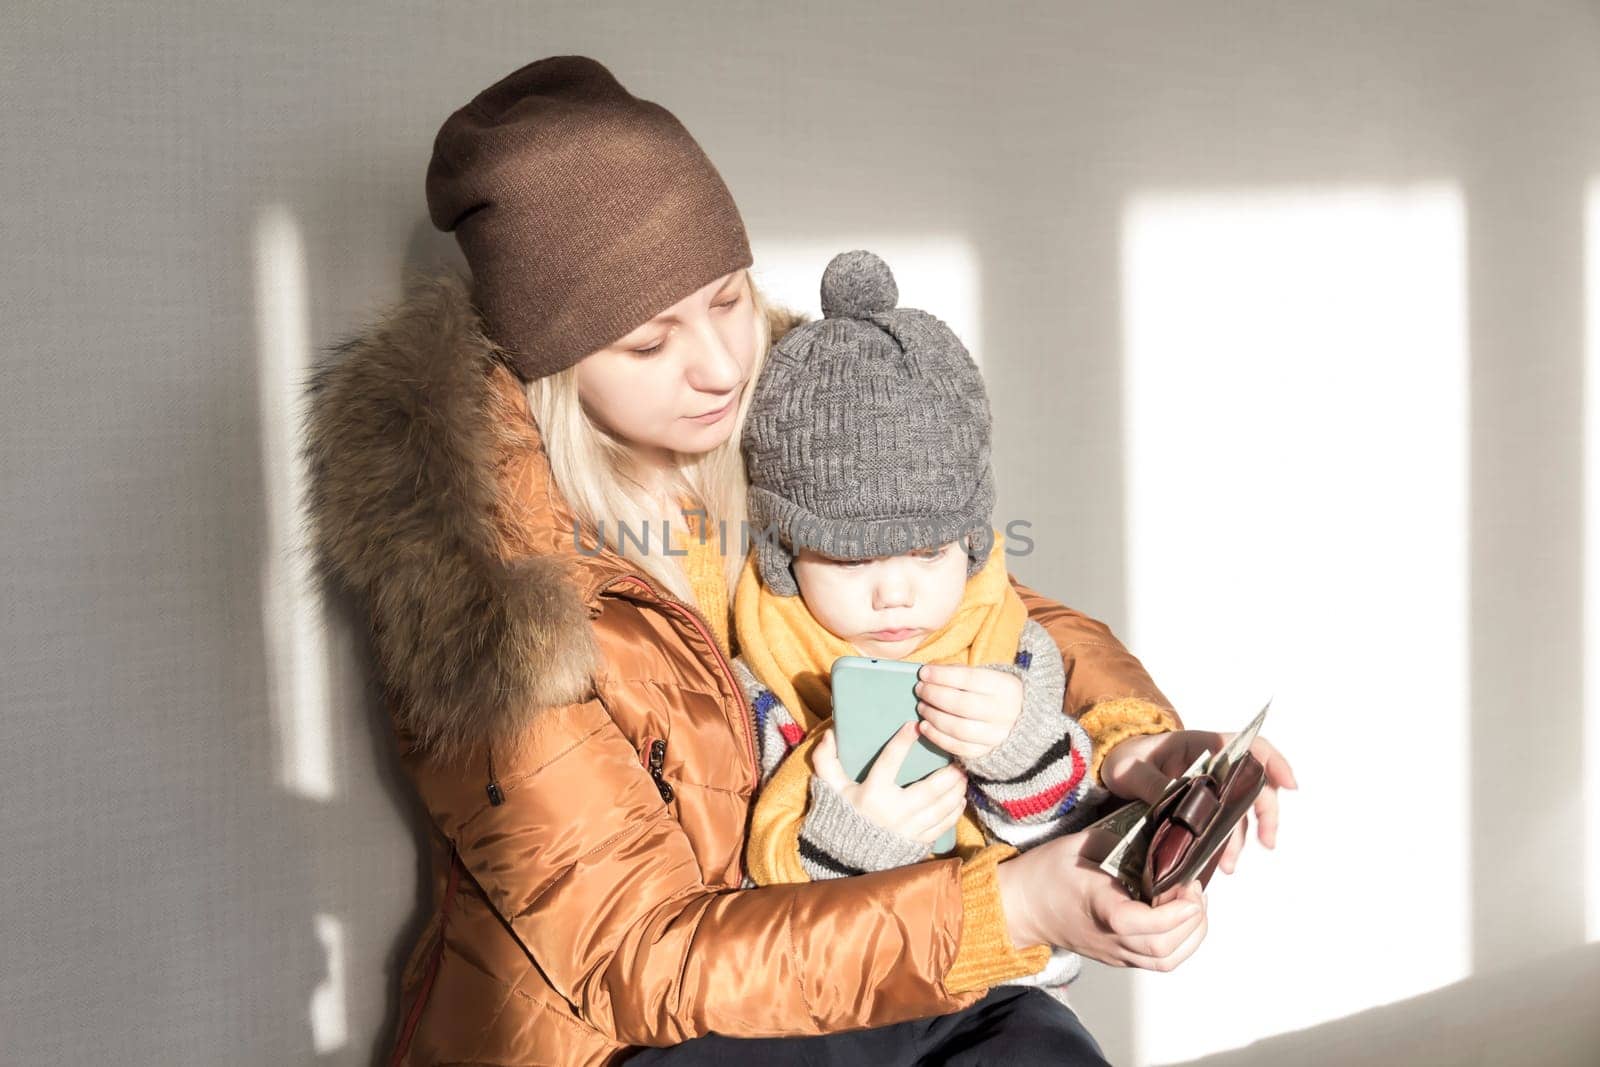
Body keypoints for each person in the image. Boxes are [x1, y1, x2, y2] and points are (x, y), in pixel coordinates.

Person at [303, 55, 1296, 1067]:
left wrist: (1134, 745)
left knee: (1037, 1045)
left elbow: (986, 602)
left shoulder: (779, 426)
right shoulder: (485, 592)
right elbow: (643, 963)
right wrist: (1011, 900)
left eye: (728, 298)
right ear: (551, 361)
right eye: (650, 343)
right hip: (635, 1035)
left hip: (866, 951)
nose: (722, 364)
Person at [726, 249, 1107, 1009]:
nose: (895, 593)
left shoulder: (1010, 646)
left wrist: (1023, 747)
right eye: (849, 558)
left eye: (929, 550)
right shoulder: (758, 684)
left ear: (968, 542)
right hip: (832, 997)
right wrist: (851, 841)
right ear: (781, 555)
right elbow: (747, 914)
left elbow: (1068, 847)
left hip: (998, 990)